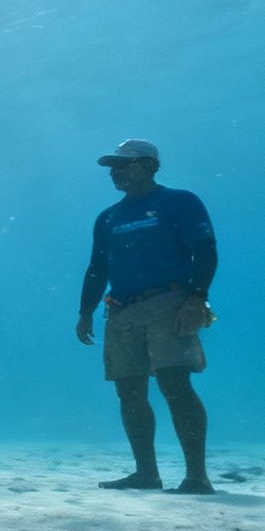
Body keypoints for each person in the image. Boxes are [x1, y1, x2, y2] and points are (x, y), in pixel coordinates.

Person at [73, 138, 218, 493]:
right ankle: (146, 473)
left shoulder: (180, 202)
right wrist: (85, 310)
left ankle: (197, 477)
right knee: (129, 391)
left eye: (124, 164)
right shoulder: (107, 218)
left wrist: (197, 298)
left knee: (175, 385)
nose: (116, 172)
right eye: (112, 167)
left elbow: (205, 250)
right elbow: (97, 268)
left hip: (168, 303)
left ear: (151, 166)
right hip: (120, 310)